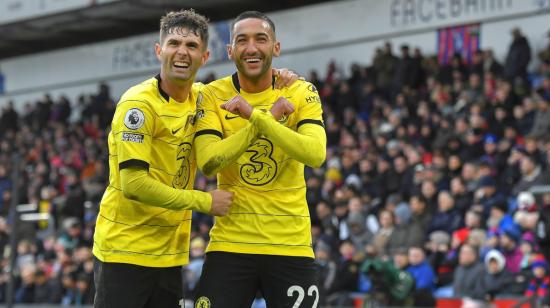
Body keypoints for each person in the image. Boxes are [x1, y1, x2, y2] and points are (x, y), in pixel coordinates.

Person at [92, 10, 234, 308]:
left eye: (192, 46)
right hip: (124, 250)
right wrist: (205, 202)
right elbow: (134, 184)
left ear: (204, 56)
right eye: (173, 44)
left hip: (170, 254)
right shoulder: (138, 105)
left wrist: (282, 78)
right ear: (159, 51)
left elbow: (247, 86)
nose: (182, 52)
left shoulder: (202, 98)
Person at [193, 11, 326, 307]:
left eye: (261, 39)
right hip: (230, 244)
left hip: (290, 244)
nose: (251, 47)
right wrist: (270, 117)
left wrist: (255, 116)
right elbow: (209, 162)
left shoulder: (300, 90)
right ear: (230, 51)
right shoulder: (212, 95)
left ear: (275, 48)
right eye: (242, 40)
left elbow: (315, 154)